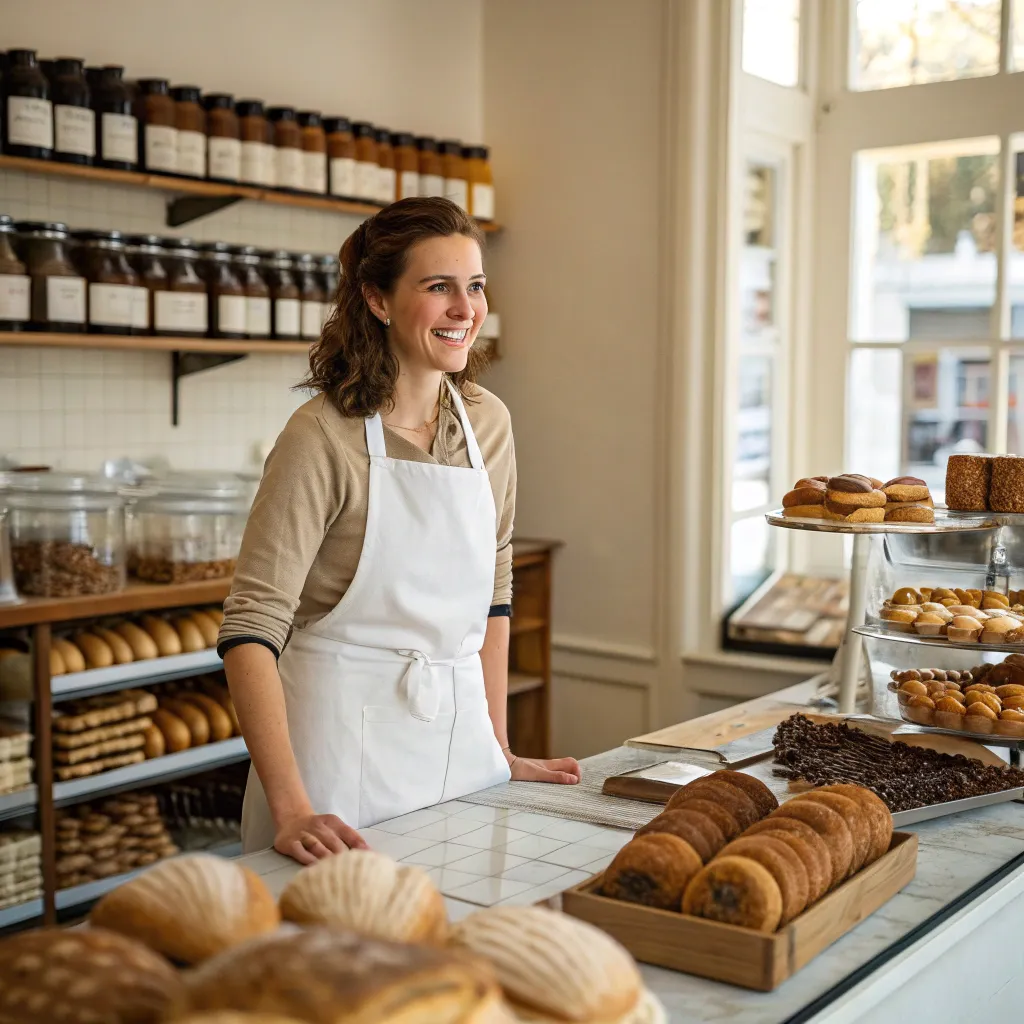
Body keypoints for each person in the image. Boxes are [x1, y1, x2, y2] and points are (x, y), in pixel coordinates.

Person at [218, 197, 581, 863]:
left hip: (458, 752)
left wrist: (496, 746)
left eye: (474, 287)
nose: (465, 309)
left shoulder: (487, 423)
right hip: (335, 771)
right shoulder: (320, 437)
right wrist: (292, 806)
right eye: (437, 287)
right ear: (378, 301)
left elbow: (495, 595)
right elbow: (250, 628)